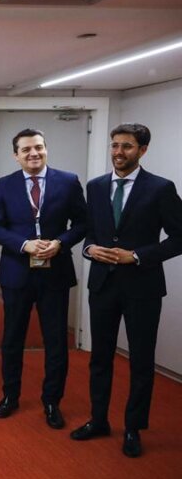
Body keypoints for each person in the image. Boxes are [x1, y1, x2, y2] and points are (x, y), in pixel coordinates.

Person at [71, 123, 182, 458]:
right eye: (115, 145)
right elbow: (91, 233)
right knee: (99, 358)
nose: (119, 153)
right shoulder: (96, 185)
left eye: (128, 147)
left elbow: (179, 237)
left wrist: (136, 256)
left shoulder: (161, 188)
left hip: (142, 286)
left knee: (141, 361)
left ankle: (133, 428)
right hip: (103, 284)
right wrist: (90, 250)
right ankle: (99, 419)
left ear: (143, 150)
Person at [0, 128, 86, 429]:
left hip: (55, 272)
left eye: (39, 148)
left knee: (56, 341)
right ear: (16, 154)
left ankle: (52, 401)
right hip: (17, 272)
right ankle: (10, 396)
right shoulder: (4, 185)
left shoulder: (67, 181)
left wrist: (60, 242)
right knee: (12, 339)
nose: (34, 154)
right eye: (27, 149)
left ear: (46, 149)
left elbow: (82, 222)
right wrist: (23, 244)